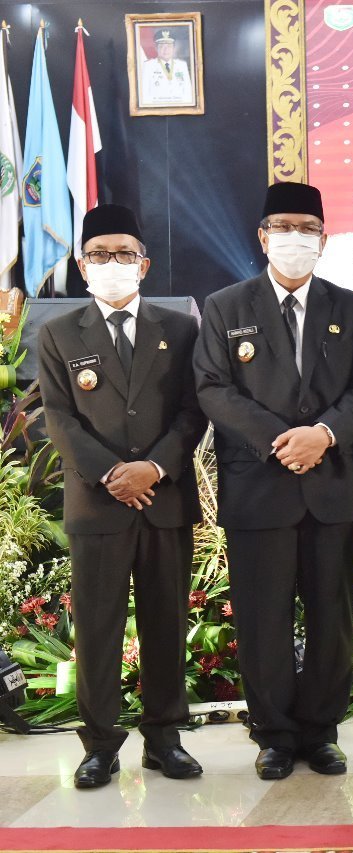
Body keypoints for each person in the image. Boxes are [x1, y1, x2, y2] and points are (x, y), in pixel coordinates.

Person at [193, 182, 353, 781]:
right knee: (262, 617)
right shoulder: (226, 306)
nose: (294, 237)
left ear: (324, 240)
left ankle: (321, 732)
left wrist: (322, 435)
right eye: (283, 226)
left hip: (334, 485)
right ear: (262, 236)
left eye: (307, 228)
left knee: (332, 615)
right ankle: (274, 734)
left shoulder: (351, 307)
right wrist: (283, 439)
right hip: (259, 487)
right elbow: (212, 388)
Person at [37, 204, 207, 789]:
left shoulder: (180, 329)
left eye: (125, 254)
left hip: (164, 502)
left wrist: (152, 468)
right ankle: (100, 745)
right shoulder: (59, 333)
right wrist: (114, 473)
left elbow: (193, 411)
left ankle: (165, 740)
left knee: (166, 622)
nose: (113, 264)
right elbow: (59, 419)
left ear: (145, 264)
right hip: (98, 504)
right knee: (98, 628)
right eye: (100, 255)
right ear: (83, 267)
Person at [139, 30, 194, 106]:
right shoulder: (148, 66)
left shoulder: (182, 65)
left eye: (169, 46)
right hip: (157, 108)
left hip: (179, 108)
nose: (166, 50)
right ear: (156, 48)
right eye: (162, 46)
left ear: (173, 48)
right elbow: (144, 95)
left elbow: (188, 93)